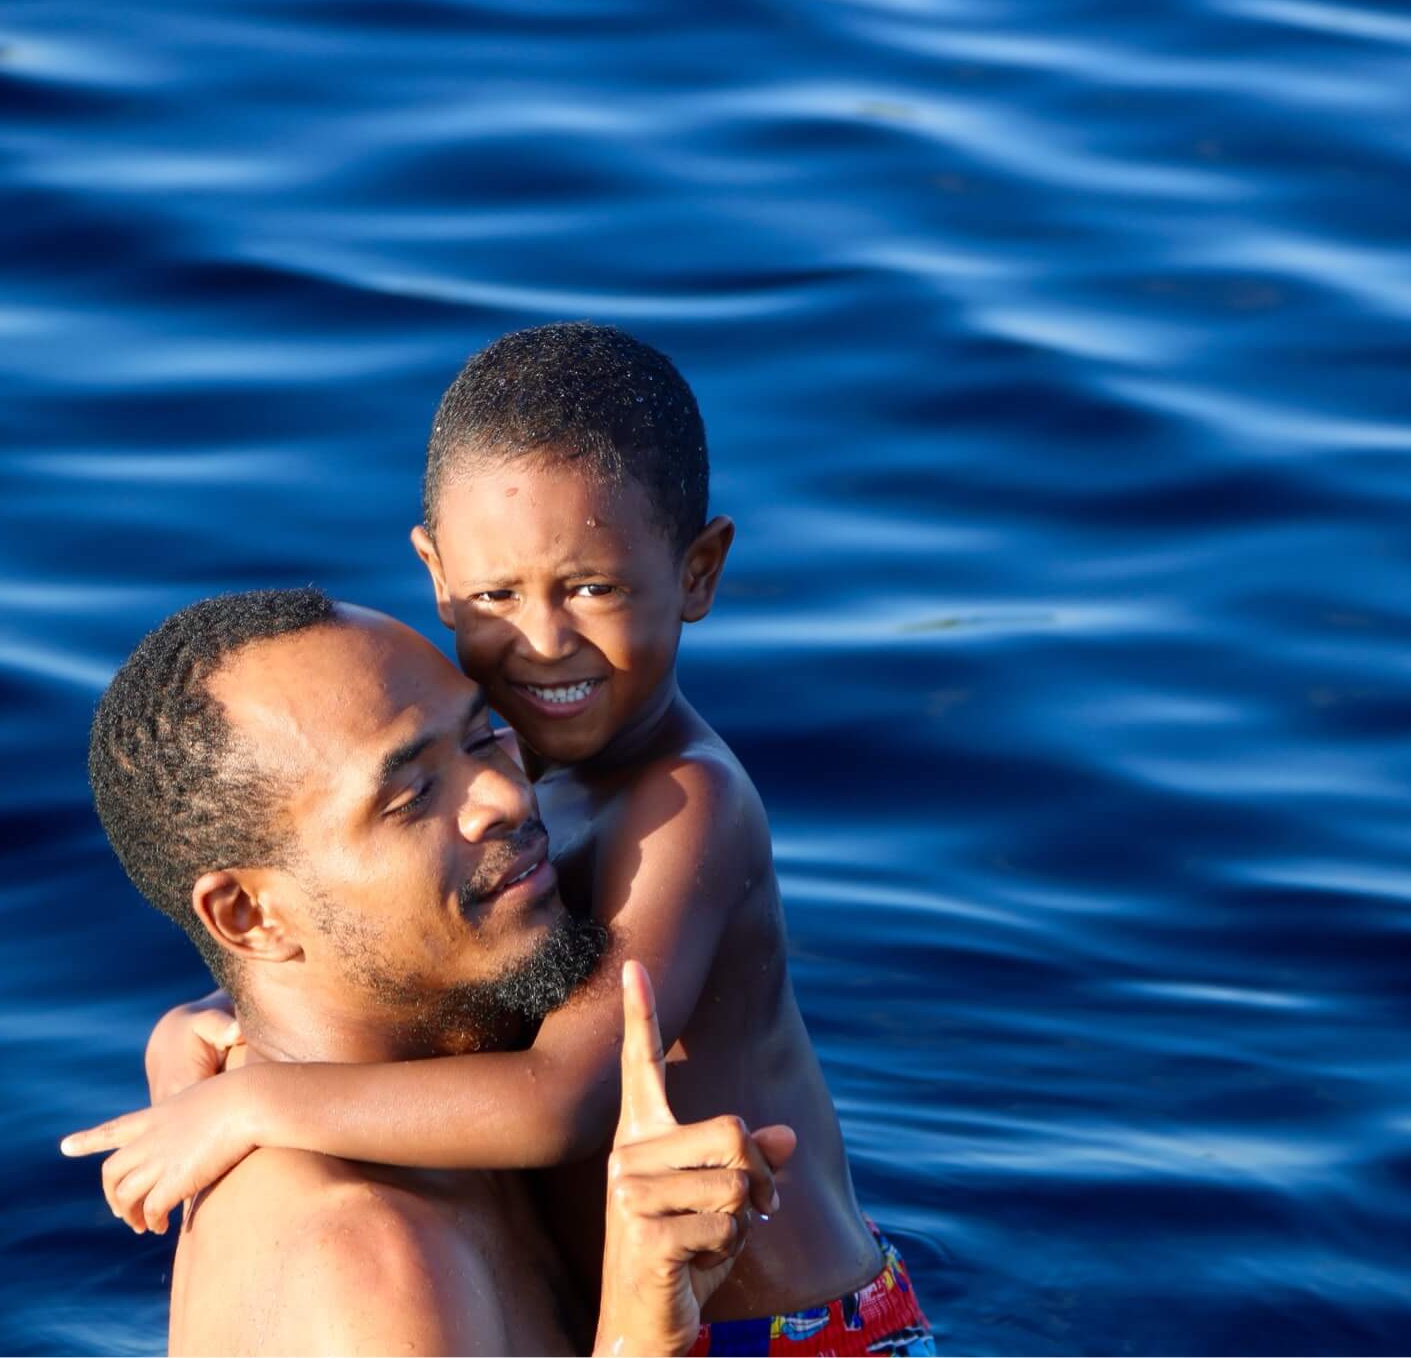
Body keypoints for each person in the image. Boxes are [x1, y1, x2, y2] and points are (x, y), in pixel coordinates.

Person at [64, 325, 934, 1355]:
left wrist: (252, 1101)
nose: (544, 640)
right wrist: (200, 1021)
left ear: (697, 573)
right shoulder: (530, 777)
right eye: (494, 597)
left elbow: (562, 1097)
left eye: (593, 589)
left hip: (790, 1330)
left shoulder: (683, 803)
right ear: (435, 574)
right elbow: (359, 950)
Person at [79, 588, 794, 1355]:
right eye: (412, 795)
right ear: (250, 918)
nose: (508, 795)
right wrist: (641, 1330)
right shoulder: (368, 1262)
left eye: (484, 737)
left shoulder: (449, 1048)